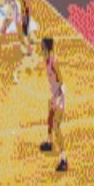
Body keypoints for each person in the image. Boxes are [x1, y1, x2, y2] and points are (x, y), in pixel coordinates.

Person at [40, 38, 68, 172]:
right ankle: (49, 142)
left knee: (56, 126)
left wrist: (58, 97)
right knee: (50, 118)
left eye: (42, 46)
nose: (40, 48)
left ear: (46, 47)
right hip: (54, 94)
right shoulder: (47, 59)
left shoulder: (53, 61)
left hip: (59, 95)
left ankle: (64, 160)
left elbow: (61, 79)